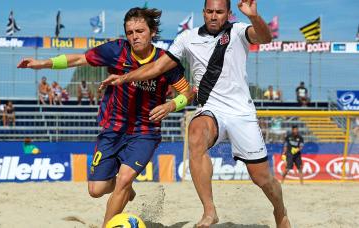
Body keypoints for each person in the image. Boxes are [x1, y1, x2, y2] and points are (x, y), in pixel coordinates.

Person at [101, 0, 290, 227]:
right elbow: (158, 67)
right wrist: (124, 77)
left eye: (219, 12)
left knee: (262, 178)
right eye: (209, 11)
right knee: (196, 131)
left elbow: (266, 38)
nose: (213, 16)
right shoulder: (186, 38)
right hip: (211, 109)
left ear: (228, 13)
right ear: (203, 12)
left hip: (242, 113)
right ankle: (209, 211)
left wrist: (253, 16)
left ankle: (280, 210)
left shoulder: (239, 31)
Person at [17, 7, 194, 227]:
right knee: (96, 189)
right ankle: (126, 190)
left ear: (152, 32)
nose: (134, 36)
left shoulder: (165, 61)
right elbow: (79, 60)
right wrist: (43, 64)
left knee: (124, 179)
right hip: (113, 129)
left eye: (140, 31)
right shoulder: (116, 51)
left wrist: (171, 105)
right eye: (130, 32)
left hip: (145, 132)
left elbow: (188, 92)